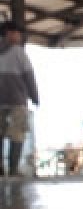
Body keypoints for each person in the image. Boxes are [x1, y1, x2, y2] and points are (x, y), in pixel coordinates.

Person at [0, 21, 39, 178]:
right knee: (18, 133)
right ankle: (13, 169)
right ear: (9, 33)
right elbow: (29, 77)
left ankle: (0, 168)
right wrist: (35, 97)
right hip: (17, 100)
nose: (20, 36)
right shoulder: (18, 52)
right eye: (18, 32)